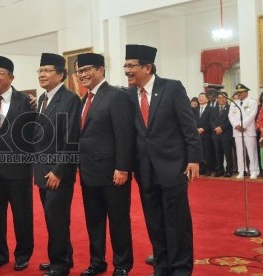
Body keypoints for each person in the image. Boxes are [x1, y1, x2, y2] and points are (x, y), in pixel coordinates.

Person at [124, 44, 202, 276]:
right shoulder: (127, 95)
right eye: (125, 65)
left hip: (173, 166)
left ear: (147, 67)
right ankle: (162, 265)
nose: (127, 70)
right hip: (144, 169)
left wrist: (194, 159)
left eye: (131, 66)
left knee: (177, 222)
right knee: (154, 221)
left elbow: (188, 126)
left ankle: (180, 268)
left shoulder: (172, 88)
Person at [77, 53, 134, 276]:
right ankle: (97, 262)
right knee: (94, 222)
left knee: (118, 221)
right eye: (80, 71)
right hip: (88, 173)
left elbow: (124, 135)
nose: (83, 74)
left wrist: (122, 168)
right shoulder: (84, 99)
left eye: (88, 69)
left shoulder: (116, 96)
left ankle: (122, 265)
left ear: (102, 70)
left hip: (112, 173)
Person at [0, 55, 35, 271]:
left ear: (11, 77)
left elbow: (32, 134)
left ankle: (23, 254)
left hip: (19, 169)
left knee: (22, 215)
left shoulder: (26, 101)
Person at [33, 53, 80, 276]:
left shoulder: (70, 99)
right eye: (40, 71)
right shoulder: (43, 98)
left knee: (58, 219)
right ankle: (58, 258)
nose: (42, 74)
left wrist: (59, 171)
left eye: (47, 70)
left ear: (61, 74)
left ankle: (60, 266)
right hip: (43, 170)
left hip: (57, 172)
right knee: (51, 218)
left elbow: (71, 139)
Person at [228, 83, 259, 179]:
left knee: (251, 152)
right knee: (240, 152)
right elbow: (230, 116)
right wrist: (236, 125)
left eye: (241, 92)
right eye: (238, 92)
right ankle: (242, 171)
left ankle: (254, 171)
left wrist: (242, 125)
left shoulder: (252, 102)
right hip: (237, 131)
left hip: (248, 131)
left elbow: (252, 115)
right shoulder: (233, 103)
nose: (239, 94)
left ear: (246, 92)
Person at [210, 91, 233, 177]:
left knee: (228, 153)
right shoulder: (213, 109)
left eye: (222, 98)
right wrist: (215, 128)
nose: (221, 99)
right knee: (218, 153)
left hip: (226, 134)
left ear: (226, 99)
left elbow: (230, 120)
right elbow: (211, 120)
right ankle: (219, 170)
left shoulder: (230, 107)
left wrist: (221, 128)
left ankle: (229, 170)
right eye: (219, 98)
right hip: (216, 134)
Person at [194, 92, 213, 176]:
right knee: (199, 152)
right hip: (197, 134)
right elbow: (192, 121)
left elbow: (211, 121)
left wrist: (204, 129)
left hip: (207, 134)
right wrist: (196, 129)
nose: (201, 99)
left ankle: (208, 169)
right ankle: (201, 168)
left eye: (203, 97)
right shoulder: (194, 109)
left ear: (207, 99)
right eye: (200, 97)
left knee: (208, 153)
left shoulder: (211, 109)